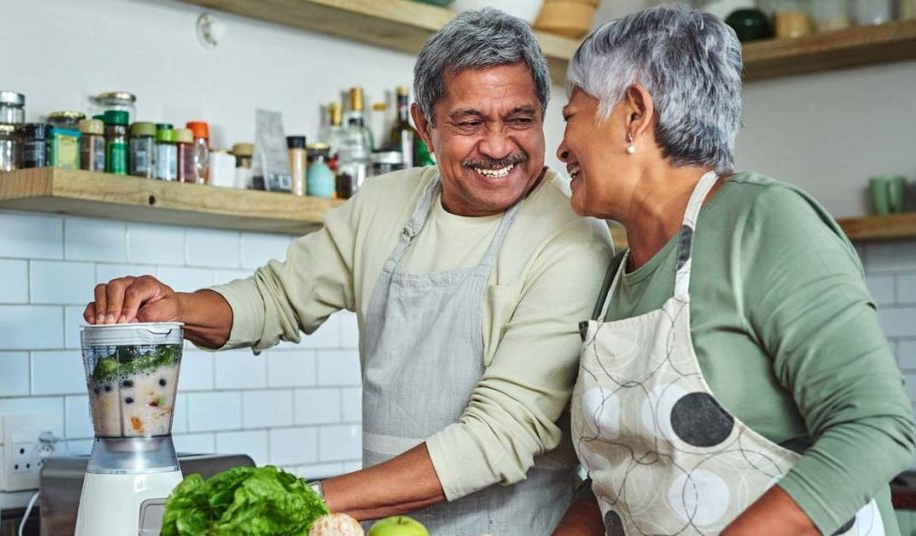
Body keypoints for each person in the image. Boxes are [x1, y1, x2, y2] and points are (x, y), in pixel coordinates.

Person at [85, 8, 613, 535]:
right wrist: (174, 307)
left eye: (519, 119)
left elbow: (499, 433)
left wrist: (295, 502)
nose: (498, 146)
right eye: (470, 123)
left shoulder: (573, 236)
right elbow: (276, 300)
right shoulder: (386, 204)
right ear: (424, 126)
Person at [551, 5, 915, 536]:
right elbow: (623, 478)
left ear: (634, 113)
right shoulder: (616, 276)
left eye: (570, 118)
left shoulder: (766, 222)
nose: (561, 148)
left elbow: (877, 427)